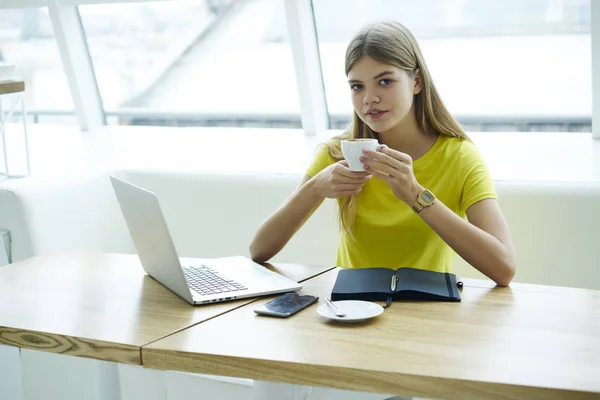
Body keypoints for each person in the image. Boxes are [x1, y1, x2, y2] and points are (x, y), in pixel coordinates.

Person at [250, 20, 517, 400]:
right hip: (347, 317)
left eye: (385, 81)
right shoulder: (337, 153)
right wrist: (315, 188)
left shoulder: (459, 156)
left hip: (424, 324)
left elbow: (504, 267)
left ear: (417, 82)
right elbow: (259, 249)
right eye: (357, 86)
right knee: (269, 373)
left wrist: (417, 196)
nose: (369, 99)